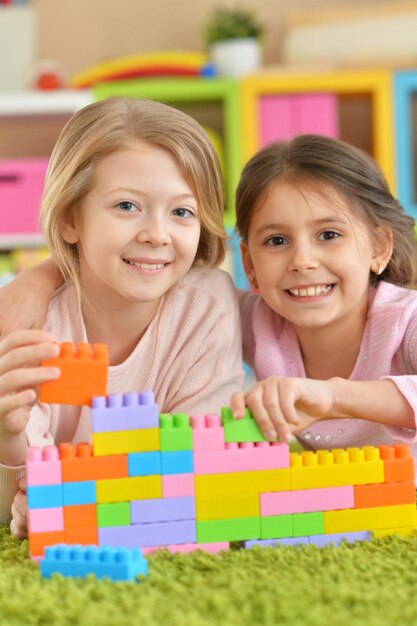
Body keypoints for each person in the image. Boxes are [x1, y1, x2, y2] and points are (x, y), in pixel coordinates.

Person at [0, 97, 244, 535]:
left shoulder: (206, 305)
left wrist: (81, 505)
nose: (156, 234)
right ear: (71, 218)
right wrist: (8, 441)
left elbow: (199, 472)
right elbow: (15, 503)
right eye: (127, 206)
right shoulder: (31, 324)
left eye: (181, 212)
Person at [230, 134, 417, 465]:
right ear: (249, 264)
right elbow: (184, 292)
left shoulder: (406, 319)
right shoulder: (249, 319)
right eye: (276, 241)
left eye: (329, 235)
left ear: (379, 248)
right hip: (326, 514)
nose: (302, 260)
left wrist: (332, 396)